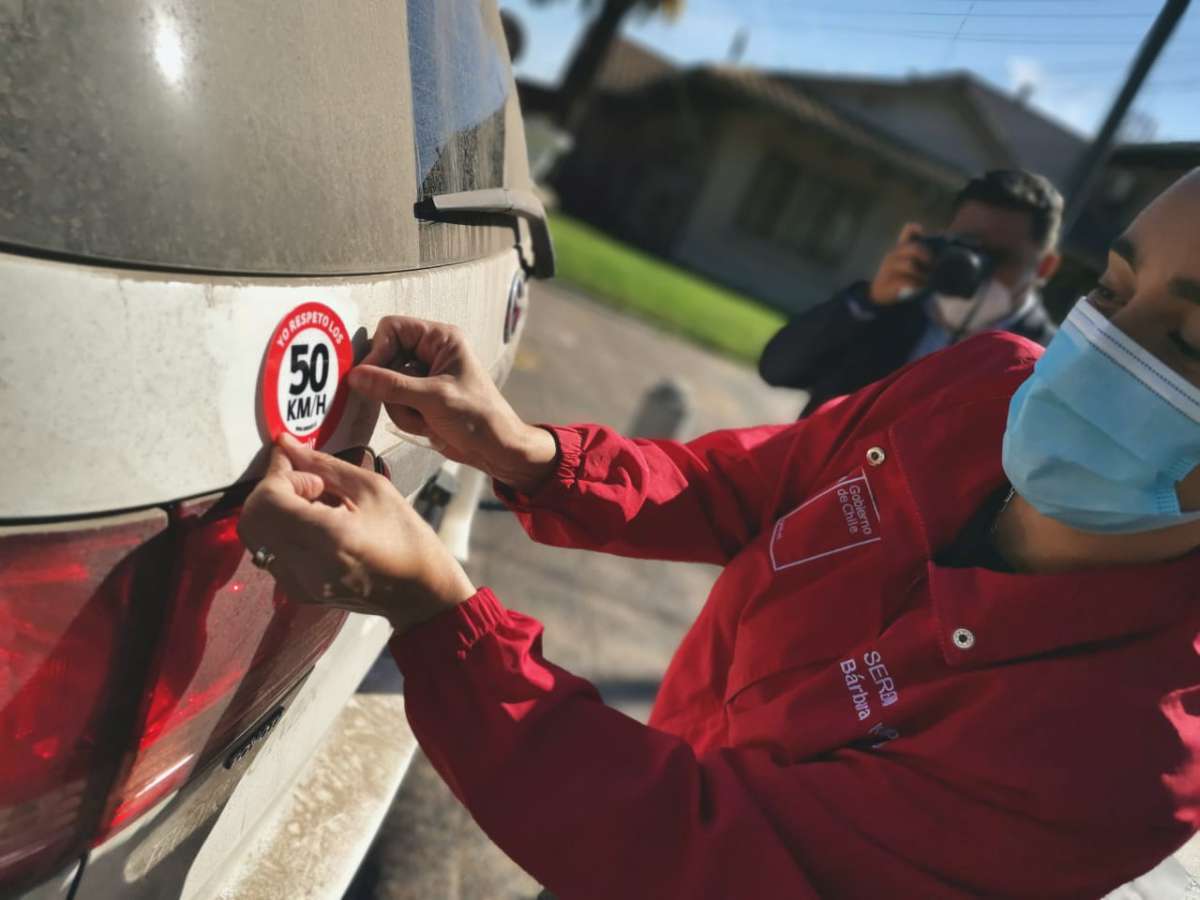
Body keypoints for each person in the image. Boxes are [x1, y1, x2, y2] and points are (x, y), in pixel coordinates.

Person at [240, 170, 1200, 899]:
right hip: (599, 807)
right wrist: (530, 452)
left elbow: (703, 854)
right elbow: (749, 486)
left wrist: (436, 612)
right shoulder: (984, 383)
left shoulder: (1133, 756)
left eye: (1192, 344)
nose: (1106, 353)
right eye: (1113, 291)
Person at [759, 169, 1063, 416]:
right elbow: (777, 369)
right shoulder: (888, 308)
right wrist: (869, 302)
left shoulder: (1052, 368)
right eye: (964, 247)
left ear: (1044, 267)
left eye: (999, 258)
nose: (975, 267)